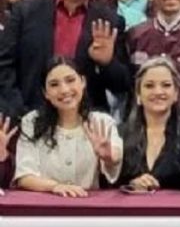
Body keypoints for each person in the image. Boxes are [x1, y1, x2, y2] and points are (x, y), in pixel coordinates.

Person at [0, 0, 132, 118]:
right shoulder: (25, 12)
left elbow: (123, 85)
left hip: (86, 124)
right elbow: (4, 68)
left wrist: (107, 63)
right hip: (28, 119)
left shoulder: (111, 21)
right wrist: (19, 115)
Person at [13, 58, 123, 197]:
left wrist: (108, 157)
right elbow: (24, 176)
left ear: (83, 82)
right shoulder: (31, 122)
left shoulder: (101, 121)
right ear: (45, 92)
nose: (64, 90)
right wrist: (55, 187)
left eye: (70, 80)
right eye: (54, 84)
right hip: (45, 204)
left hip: (86, 204)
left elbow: (116, 156)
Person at [117, 57, 180, 191]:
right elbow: (107, 187)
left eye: (166, 85)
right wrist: (131, 185)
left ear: (176, 94)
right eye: (149, 86)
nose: (158, 92)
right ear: (138, 95)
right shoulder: (119, 135)